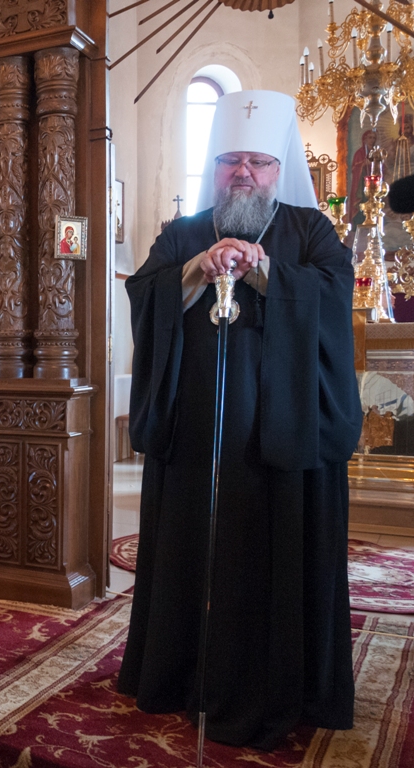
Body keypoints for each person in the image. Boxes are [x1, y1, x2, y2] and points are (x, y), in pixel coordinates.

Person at [121, 90, 360, 750]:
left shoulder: (310, 231)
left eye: (258, 161)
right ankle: (179, 674)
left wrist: (264, 271)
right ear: (216, 166)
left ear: (278, 167)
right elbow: (143, 293)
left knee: (272, 565)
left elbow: (334, 299)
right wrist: (197, 269)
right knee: (193, 555)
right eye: (231, 161)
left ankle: (284, 686)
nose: (244, 173)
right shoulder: (185, 232)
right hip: (198, 437)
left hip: (283, 438)